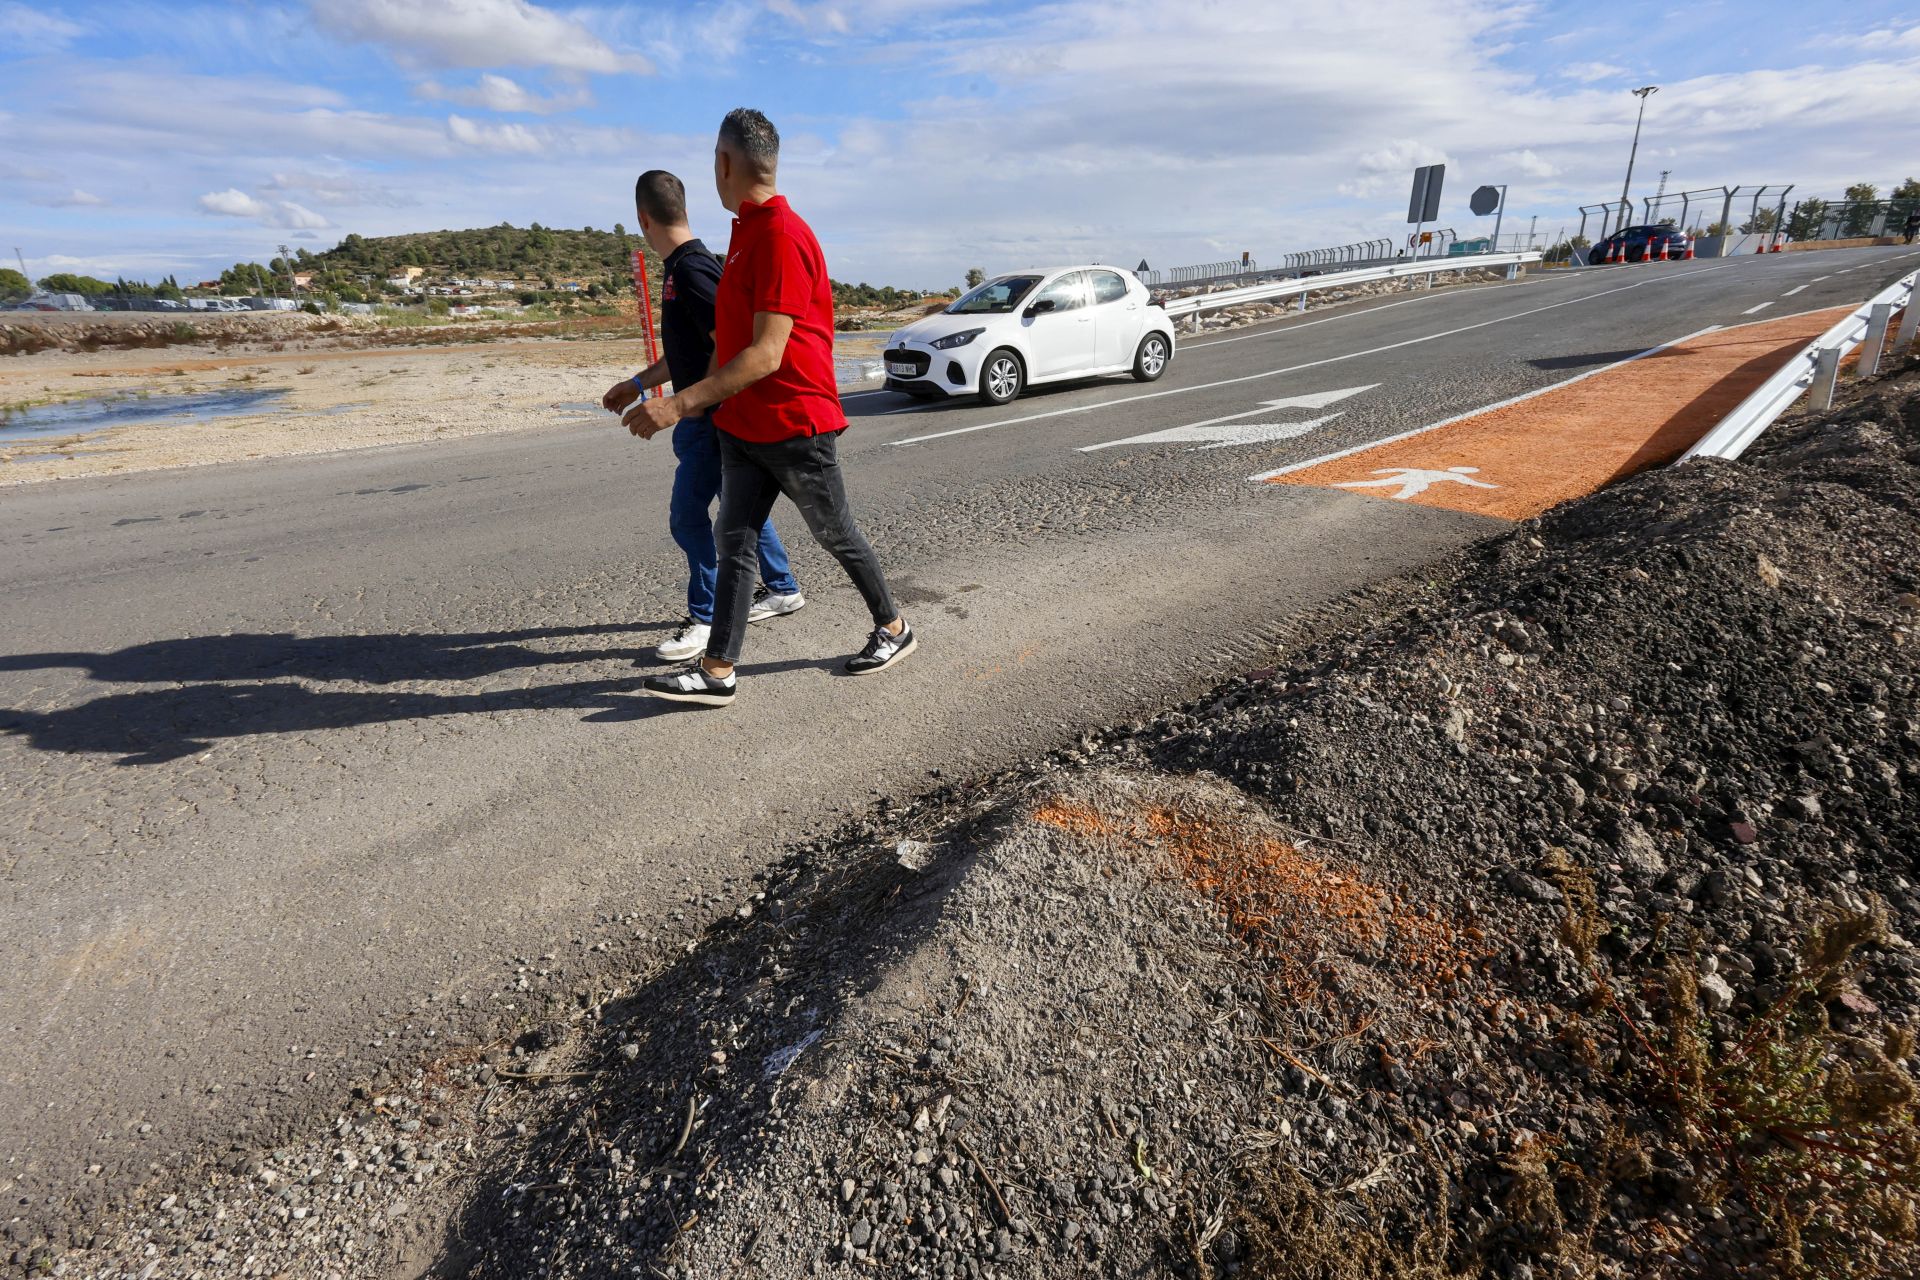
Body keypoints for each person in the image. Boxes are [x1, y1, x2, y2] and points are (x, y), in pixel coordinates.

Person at [625, 108, 914, 707]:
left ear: (724, 164)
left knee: (835, 534)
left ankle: (894, 627)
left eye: (713, 160)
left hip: (793, 425)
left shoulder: (781, 235)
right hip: (742, 425)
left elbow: (766, 355)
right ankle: (718, 670)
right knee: (736, 543)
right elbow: (724, 344)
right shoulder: (744, 235)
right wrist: (653, 385)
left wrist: (676, 405)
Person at [603, 170, 807, 662]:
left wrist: (683, 405)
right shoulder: (687, 268)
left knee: (688, 518)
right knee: (737, 510)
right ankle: (781, 587)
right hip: (707, 413)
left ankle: (706, 615)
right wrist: (638, 383)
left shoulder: (691, 271)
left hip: (709, 418)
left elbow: (727, 343)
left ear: (642, 219)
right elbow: (691, 350)